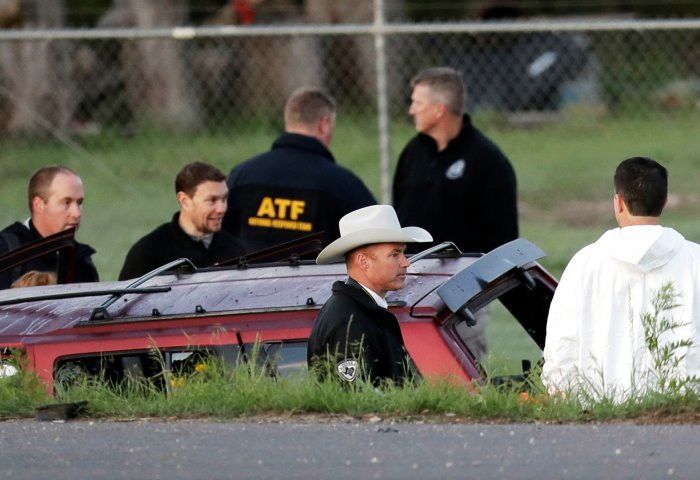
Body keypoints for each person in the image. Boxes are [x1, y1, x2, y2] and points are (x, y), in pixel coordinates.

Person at [542, 157, 700, 402]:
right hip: (685, 418)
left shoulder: (585, 263)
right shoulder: (695, 260)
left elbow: (561, 349)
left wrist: (569, 405)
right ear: (665, 202)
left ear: (619, 202)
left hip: (600, 418)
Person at [392, 66, 519, 359]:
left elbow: (504, 241)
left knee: (458, 366)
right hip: (408, 284)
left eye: (417, 103)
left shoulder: (487, 161)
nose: (411, 110)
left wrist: (474, 290)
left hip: (462, 291)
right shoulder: (412, 153)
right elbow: (399, 218)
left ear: (439, 109)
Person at [222, 87, 376, 253]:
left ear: (288, 121)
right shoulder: (343, 183)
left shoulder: (241, 176)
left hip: (251, 278)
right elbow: (375, 237)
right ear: (323, 124)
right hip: (318, 278)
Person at [307, 204, 432, 386]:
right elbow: (360, 402)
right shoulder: (351, 323)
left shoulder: (357, 312)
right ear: (363, 261)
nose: (406, 263)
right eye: (394, 254)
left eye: (403, 253)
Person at [119, 162, 245, 280]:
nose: (222, 209)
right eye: (212, 200)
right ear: (184, 200)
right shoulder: (149, 252)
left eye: (224, 199)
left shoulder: (235, 250)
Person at [0, 165, 99, 289]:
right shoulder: (8, 251)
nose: (77, 213)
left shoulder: (81, 257)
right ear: (39, 205)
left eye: (79, 203)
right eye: (66, 202)